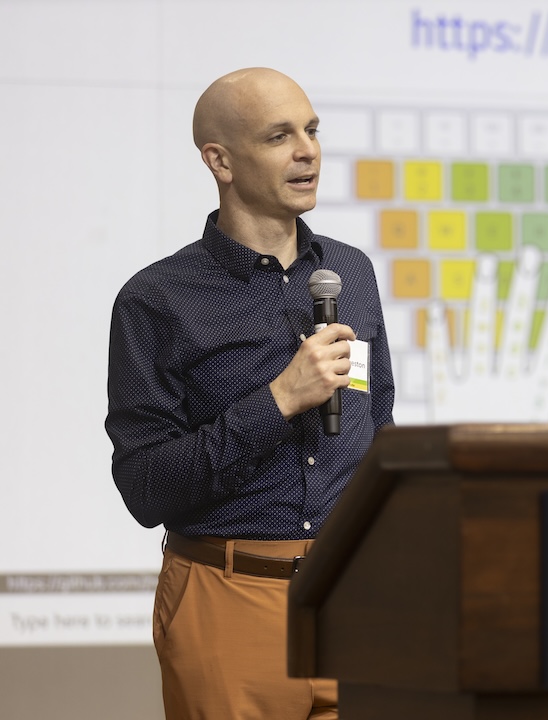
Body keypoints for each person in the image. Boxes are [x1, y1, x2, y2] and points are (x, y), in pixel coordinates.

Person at [105, 67, 395, 719]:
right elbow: (145, 487)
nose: (308, 150)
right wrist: (278, 401)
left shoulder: (350, 272)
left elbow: (376, 422)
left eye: (313, 130)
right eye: (279, 136)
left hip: (355, 598)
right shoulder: (157, 300)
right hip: (229, 599)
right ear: (220, 160)